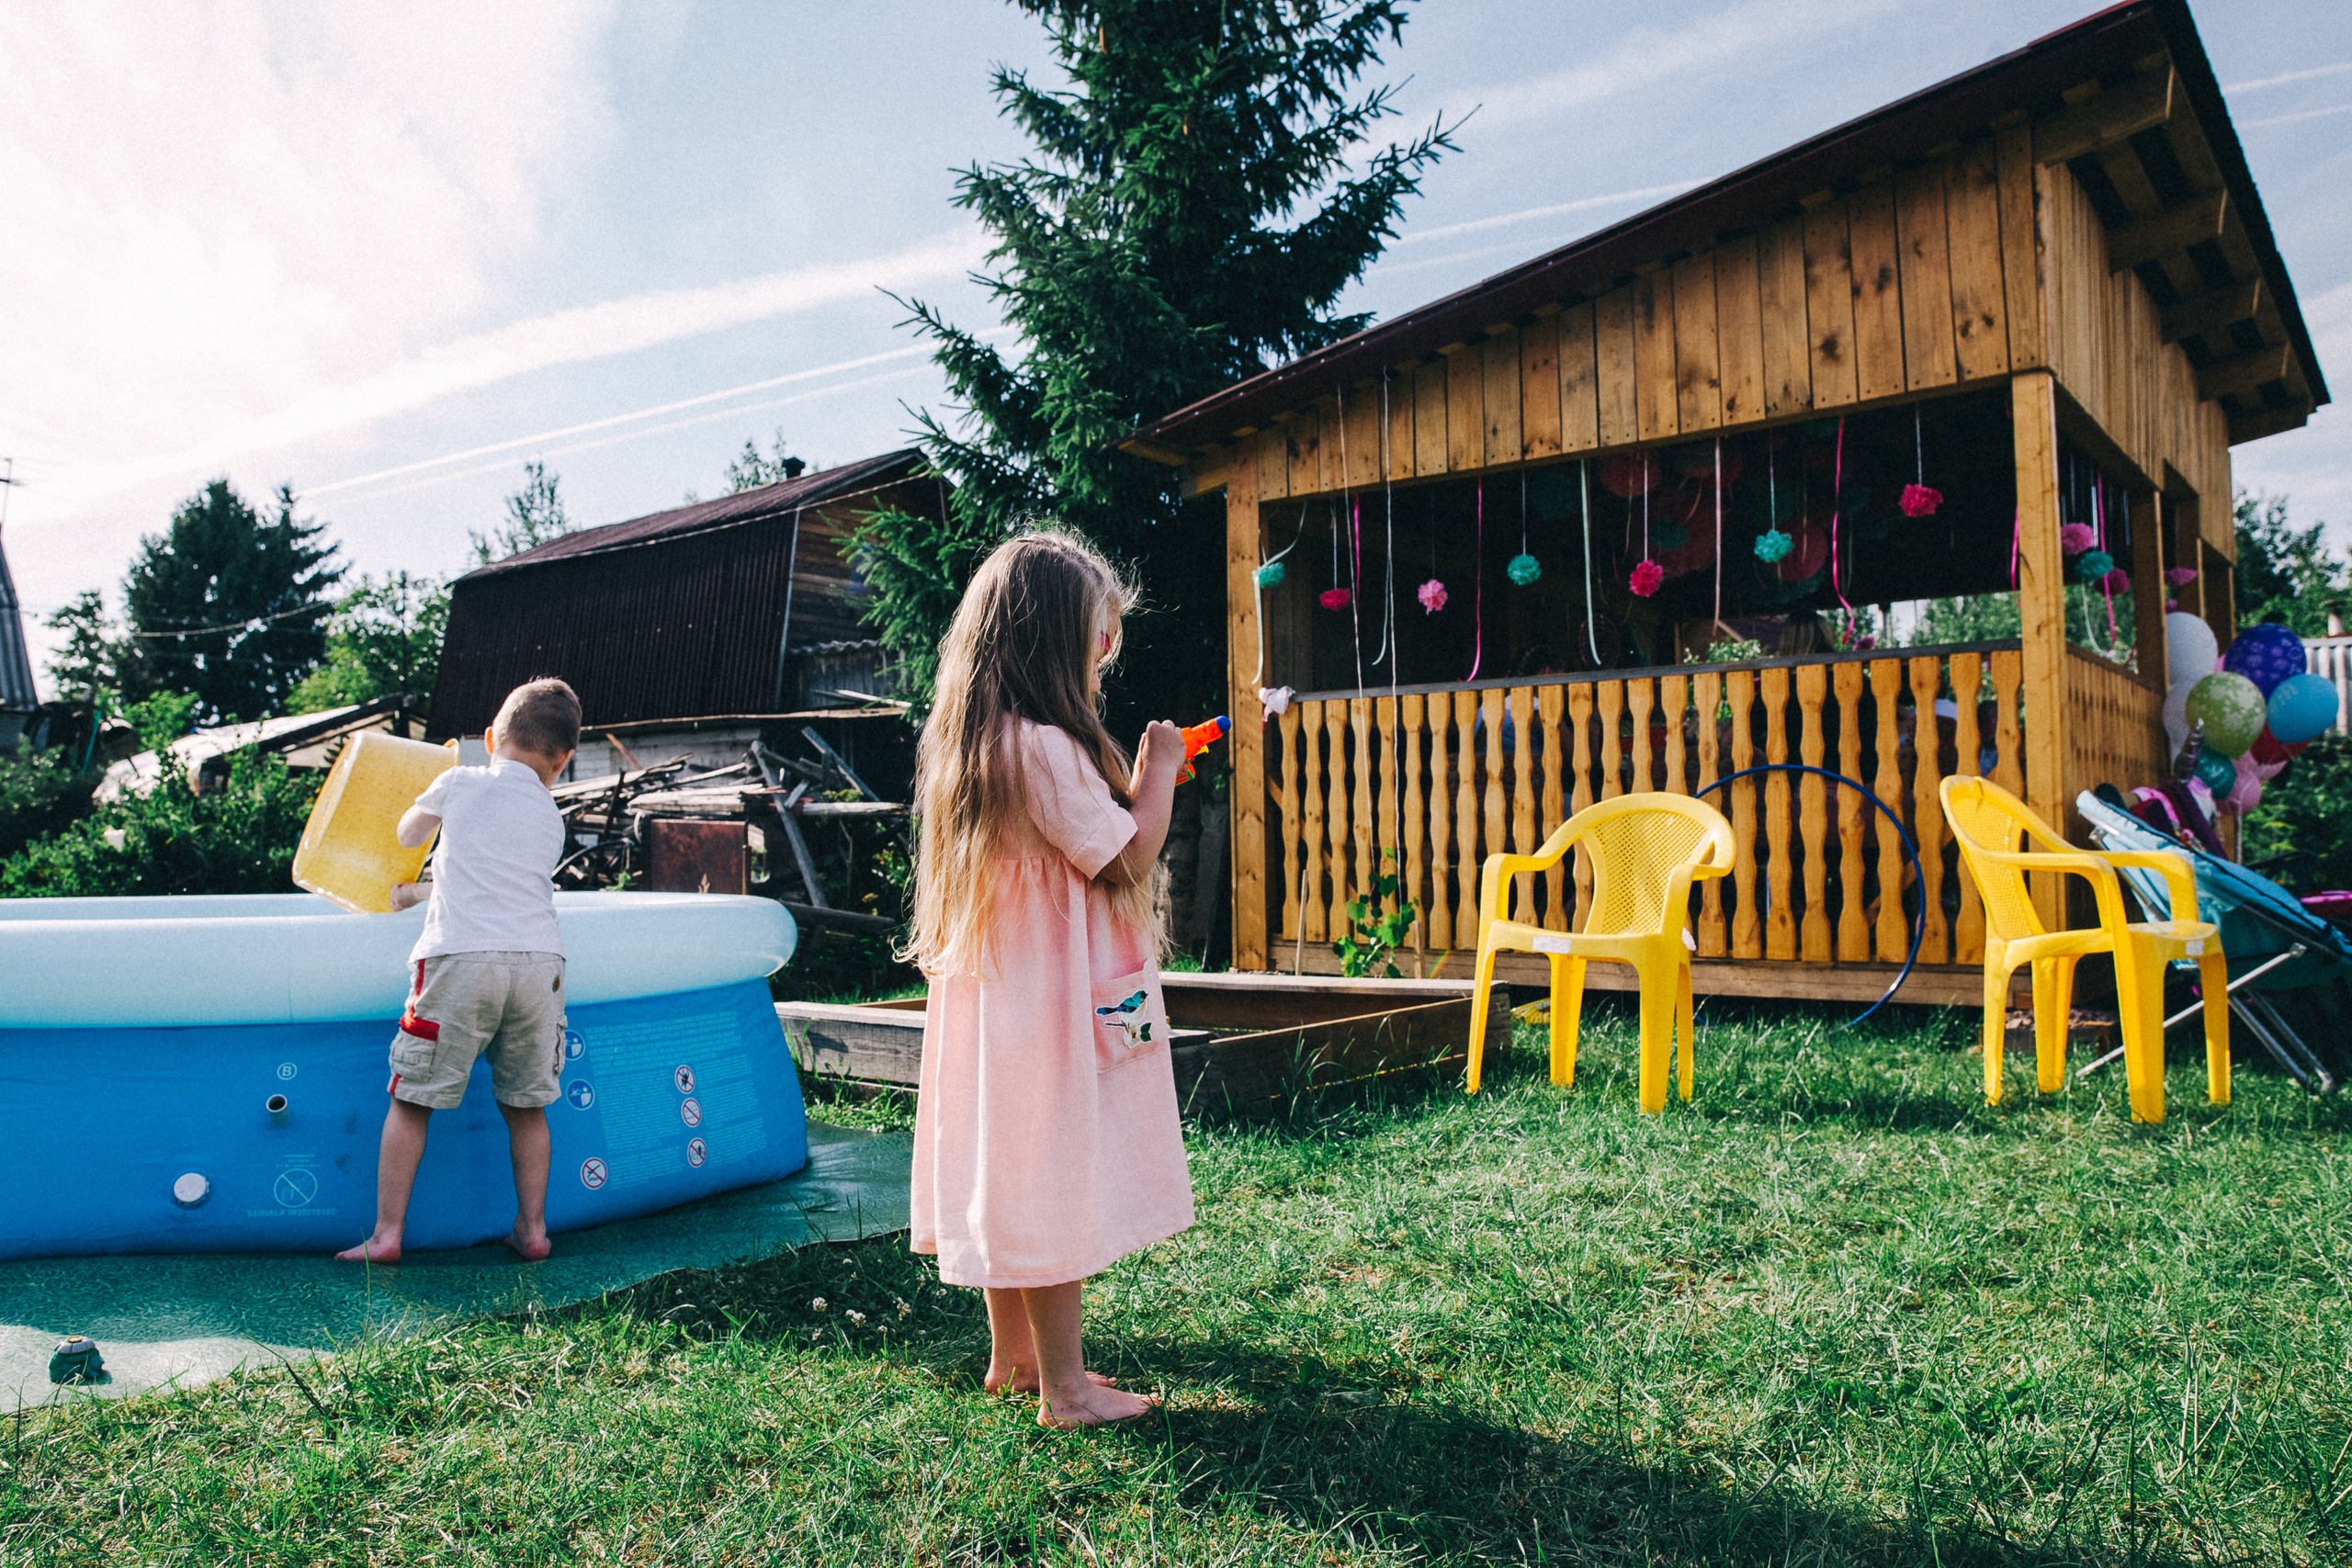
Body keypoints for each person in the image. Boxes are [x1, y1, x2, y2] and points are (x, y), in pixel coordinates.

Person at [906, 530, 1193, 1428]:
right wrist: (1159, 782)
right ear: (1052, 642)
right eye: (1096, 642)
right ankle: (1067, 1391)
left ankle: (1014, 1359)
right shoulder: (1043, 747)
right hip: (1048, 1000)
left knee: (1008, 1166)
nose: (1102, 662)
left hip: (999, 997)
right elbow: (1122, 861)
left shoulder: (972, 739)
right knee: (1050, 1173)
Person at [336, 678, 582, 1265]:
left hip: (459, 961)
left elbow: (409, 833)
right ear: (564, 760)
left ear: (493, 737)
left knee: (411, 1099)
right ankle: (533, 1230)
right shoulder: (552, 815)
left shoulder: (460, 777)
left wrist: (446, 782)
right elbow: (487, 877)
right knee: (527, 1107)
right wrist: (418, 894)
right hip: (539, 965)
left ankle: (388, 1235)